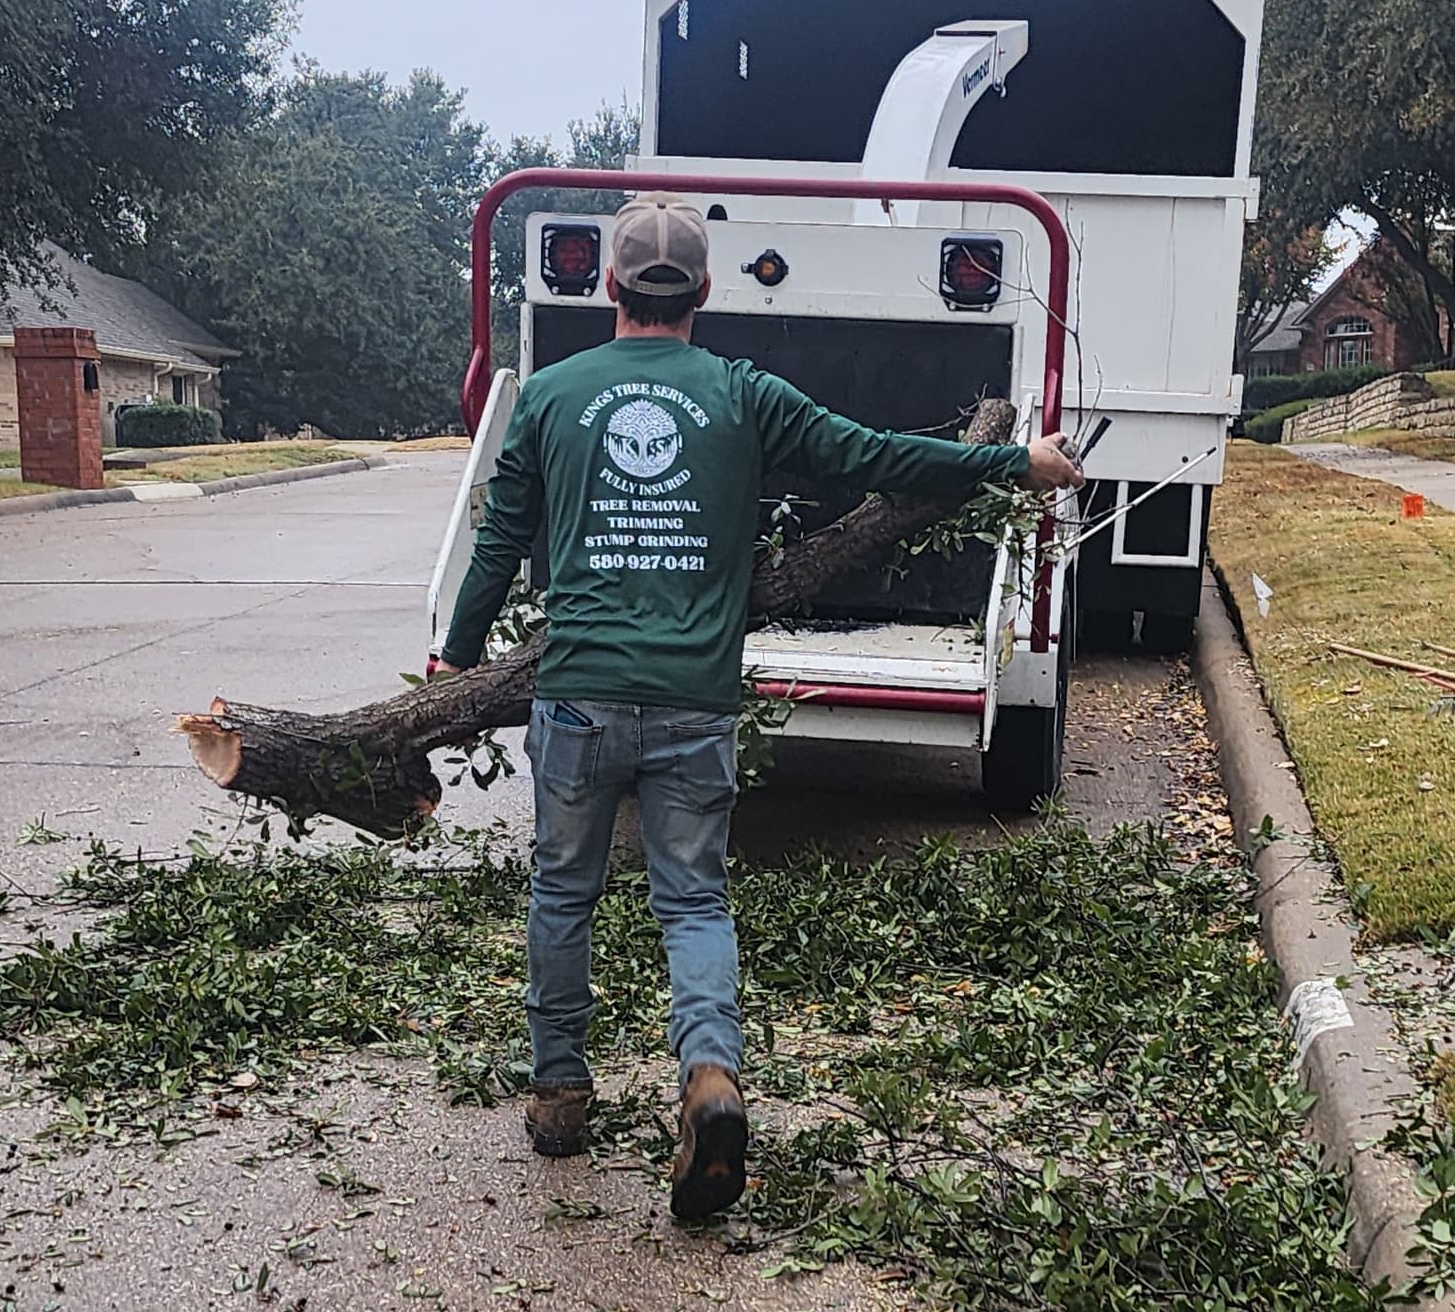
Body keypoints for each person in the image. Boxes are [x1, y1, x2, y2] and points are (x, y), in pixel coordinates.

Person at [437, 193, 1083, 1223]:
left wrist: (454, 666)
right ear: (700, 290)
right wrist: (1013, 460)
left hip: (578, 701)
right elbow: (877, 457)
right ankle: (710, 1076)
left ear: (611, 288)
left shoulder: (553, 397)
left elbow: (497, 547)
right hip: (694, 701)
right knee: (691, 902)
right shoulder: (742, 394)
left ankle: (559, 1093)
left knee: (565, 894)